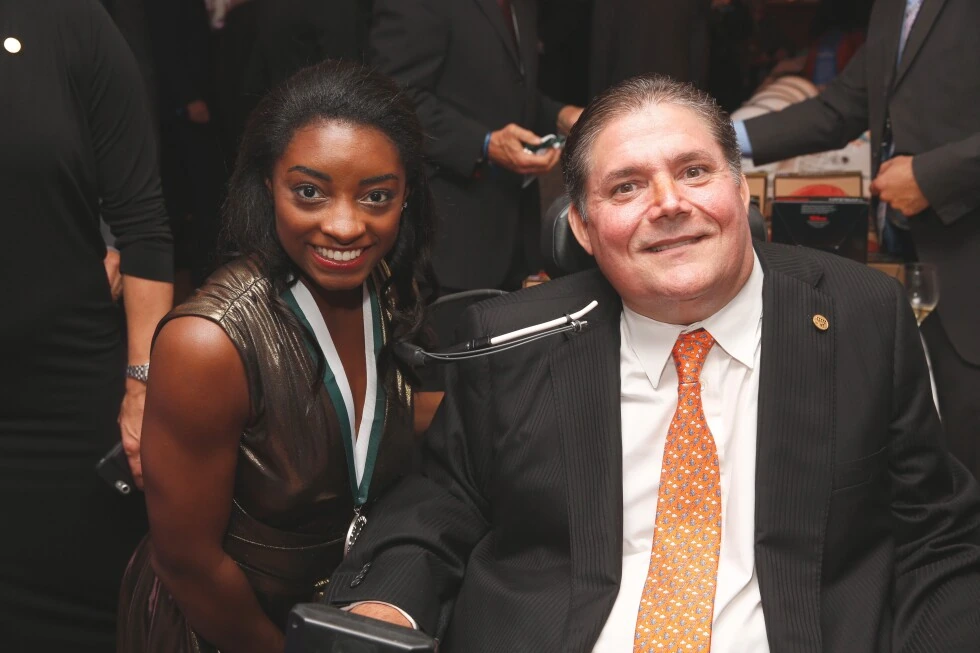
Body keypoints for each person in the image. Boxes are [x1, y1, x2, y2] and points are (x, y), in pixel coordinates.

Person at [322, 75, 980, 652]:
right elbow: (441, 502)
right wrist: (386, 604)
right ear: (581, 225)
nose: (668, 203)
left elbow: (938, 534)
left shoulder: (861, 316)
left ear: (740, 188)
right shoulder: (515, 338)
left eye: (694, 171)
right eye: (627, 185)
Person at [116, 60, 435, 652]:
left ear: (405, 196)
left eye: (376, 197)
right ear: (269, 186)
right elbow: (188, 565)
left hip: (341, 614)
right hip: (223, 628)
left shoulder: (392, 289)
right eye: (309, 192)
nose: (345, 225)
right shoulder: (207, 345)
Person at [734, 0, 980, 481]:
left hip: (968, 253)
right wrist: (714, 137)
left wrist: (931, 176)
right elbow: (840, 109)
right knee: (940, 451)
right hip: (916, 258)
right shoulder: (892, 7)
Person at [0, 1, 174, 650]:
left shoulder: (70, 22)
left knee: (89, 623)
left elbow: (143, 223)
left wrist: (142, 384)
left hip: (65, 408)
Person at [368, 0, 583, 292]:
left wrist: (559, 114)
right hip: (453, 234)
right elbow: (395, 97)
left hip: (516, 223)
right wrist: (483, 144)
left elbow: (504, 87)